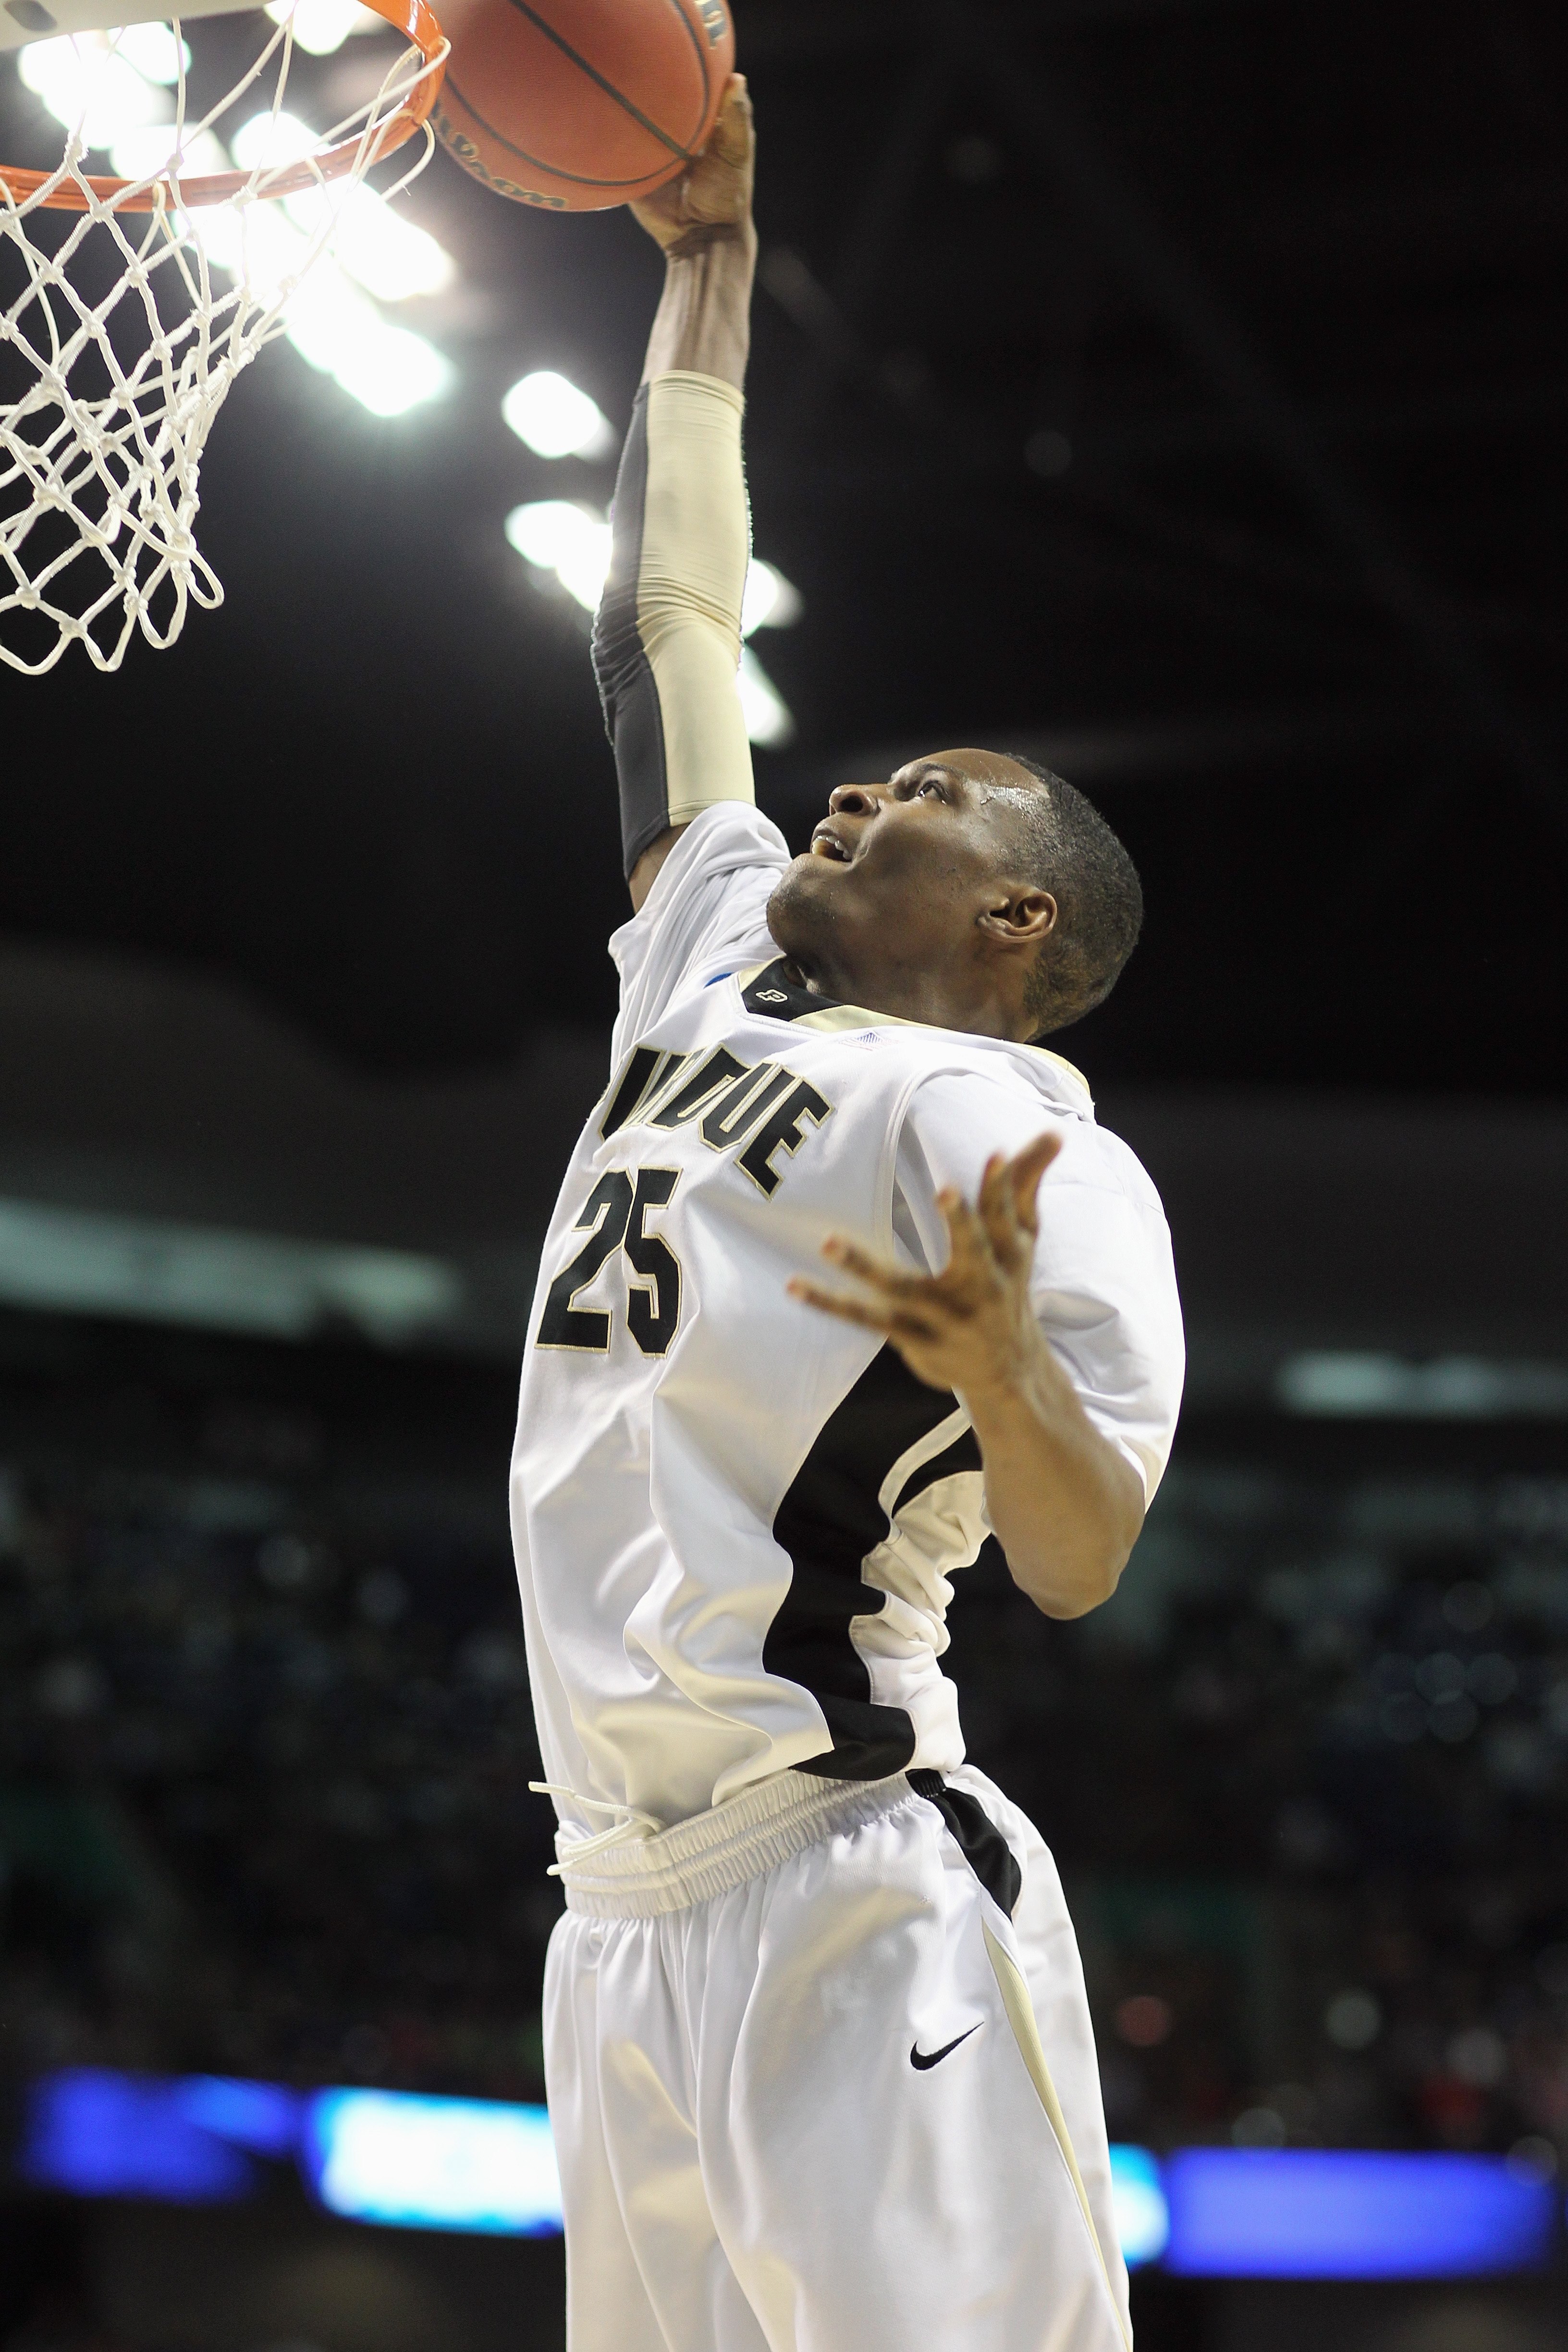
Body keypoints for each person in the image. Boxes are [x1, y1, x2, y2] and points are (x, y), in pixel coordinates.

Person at [510, 76, 1184, 2352]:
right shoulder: (713, 949)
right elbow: (665, 622)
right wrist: (706, 268)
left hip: (853, 1882)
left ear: (1012, 915)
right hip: (612, 1908)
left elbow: (1080, 1560)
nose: (855, 781)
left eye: (922, 797)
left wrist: (996, 1373)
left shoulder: (1020, 1146)